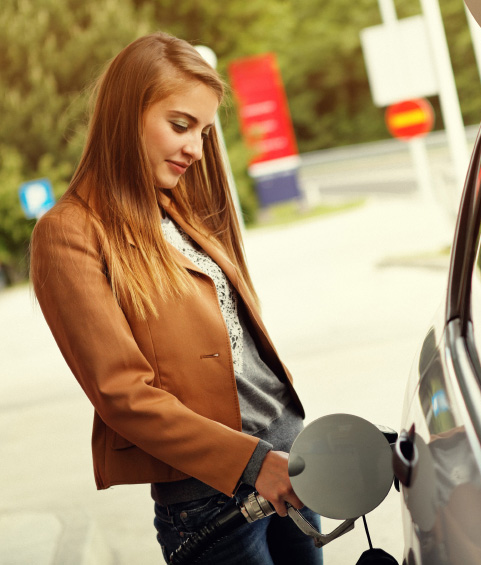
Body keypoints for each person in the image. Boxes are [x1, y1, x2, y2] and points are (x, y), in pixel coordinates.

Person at [29, 32, 321, 564]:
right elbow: (123, 395)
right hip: (211, 503)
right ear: (125, 116)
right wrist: (256, 464)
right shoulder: (68, 232)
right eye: (181, 125)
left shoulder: (181, 210)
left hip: (291, 465)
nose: (196, 147)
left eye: (205, 132)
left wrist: (283, 456)